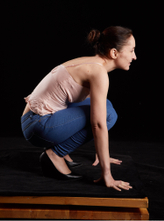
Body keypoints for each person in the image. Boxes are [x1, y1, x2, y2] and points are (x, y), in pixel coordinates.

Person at [21, 26, 136, 191]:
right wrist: (107, 174)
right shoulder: (99, 73)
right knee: (107, 115)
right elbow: (98, 124)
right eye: (131, 50)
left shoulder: (92, 63)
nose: (135, 56)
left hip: (33, 120)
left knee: (106, 107)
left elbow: (92, 107)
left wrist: (100, 151)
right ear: (114, 53)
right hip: (37, 125)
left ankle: (58, 149)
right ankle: (55, 153)